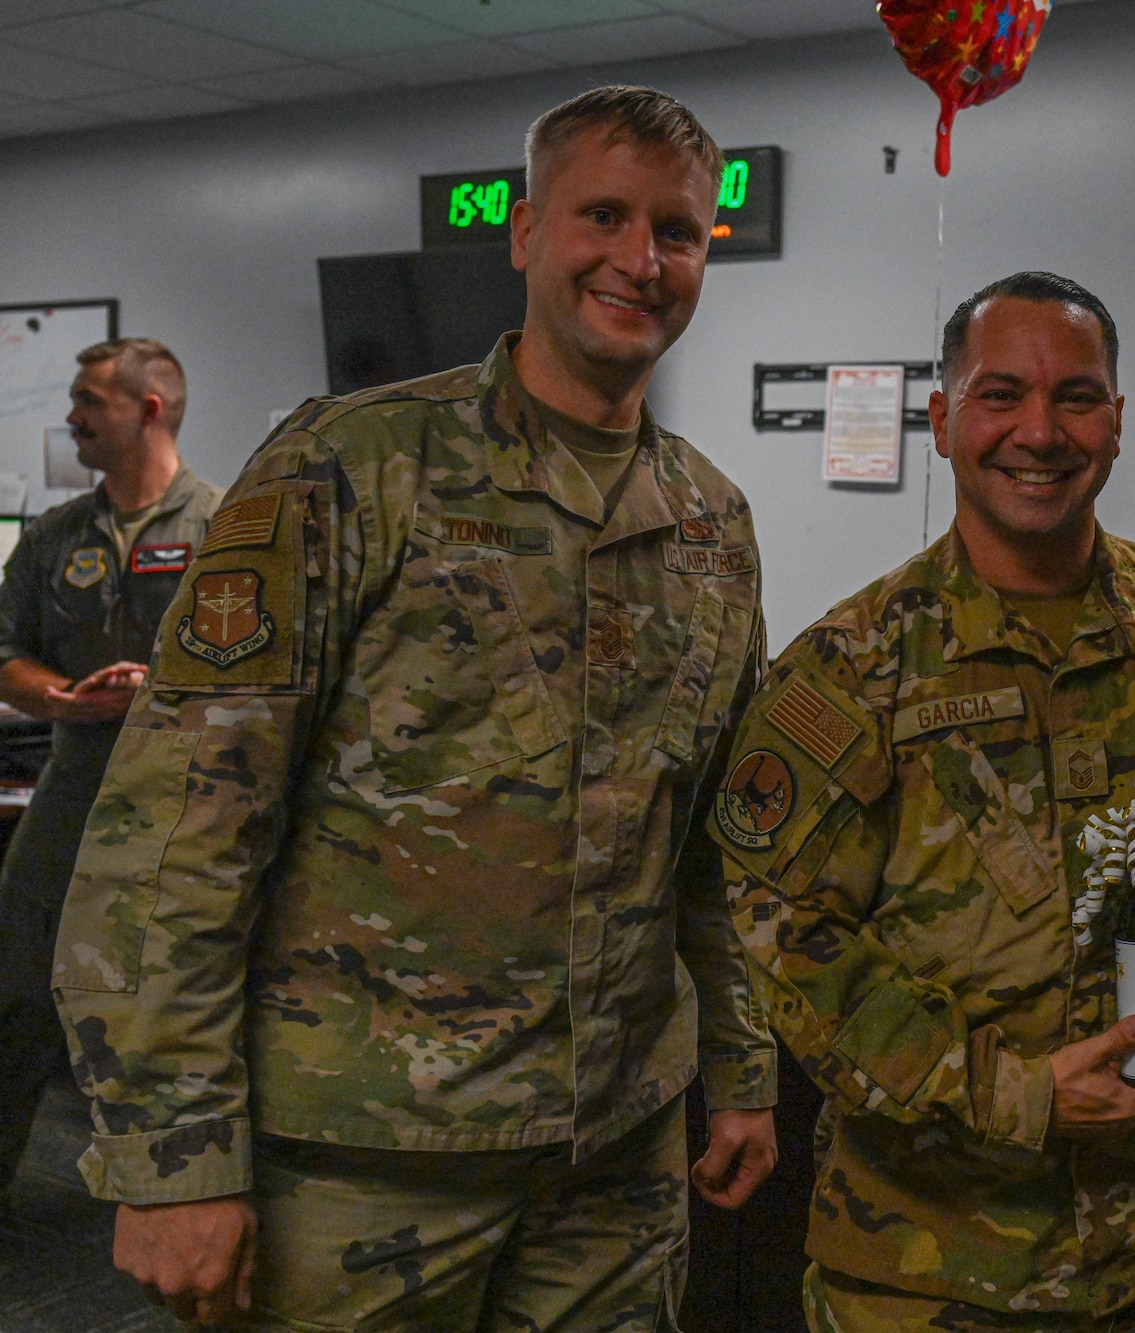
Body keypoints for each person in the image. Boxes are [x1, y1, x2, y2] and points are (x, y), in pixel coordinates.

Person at [52, 86, 778, 1330]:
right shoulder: (353, 466)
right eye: (602, 216)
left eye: (676, 230)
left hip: (610, 1161)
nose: (639, 260)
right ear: (525, 232)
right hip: (361, 1166)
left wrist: (745, 1066)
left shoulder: (710, 522)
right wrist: (172, 1152)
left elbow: (711, 842)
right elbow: (177, 825)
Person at [716, 272, 1135, 1332]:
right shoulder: (854, 668)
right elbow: (787, 939)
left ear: (1117, 420)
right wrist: (1013, 1093)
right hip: (932, 1267)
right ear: (941, 420)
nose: (1041, 433)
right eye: (1000, 395)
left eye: (1077, 397)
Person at [0, 338, 220, 1202]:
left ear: (148, 410)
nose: (72, 417)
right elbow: (4, 648)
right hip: (74, 792)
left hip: (192, 801)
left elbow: (276, 667)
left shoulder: (225, 528)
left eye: (89, 400)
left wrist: (162, 689)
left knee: (180, 1006)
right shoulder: (55, 535)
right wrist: (56, 697)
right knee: (17, 990)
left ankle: (181, 1196)